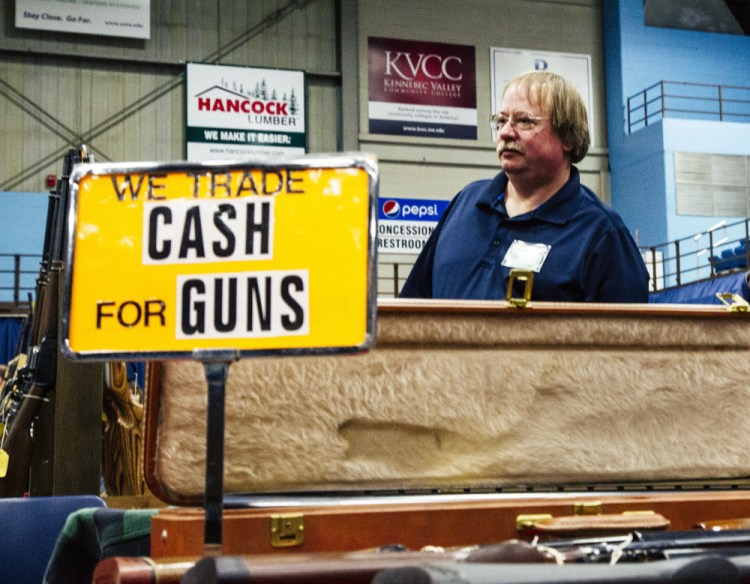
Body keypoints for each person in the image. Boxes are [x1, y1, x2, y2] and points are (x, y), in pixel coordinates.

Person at [400, 71, 650, 302]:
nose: (505, 133)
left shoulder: (601, 233)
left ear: (568, 138)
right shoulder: (465, 203)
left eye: (524, 121)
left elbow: (626, 342)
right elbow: (413, 305)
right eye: (501, 120)